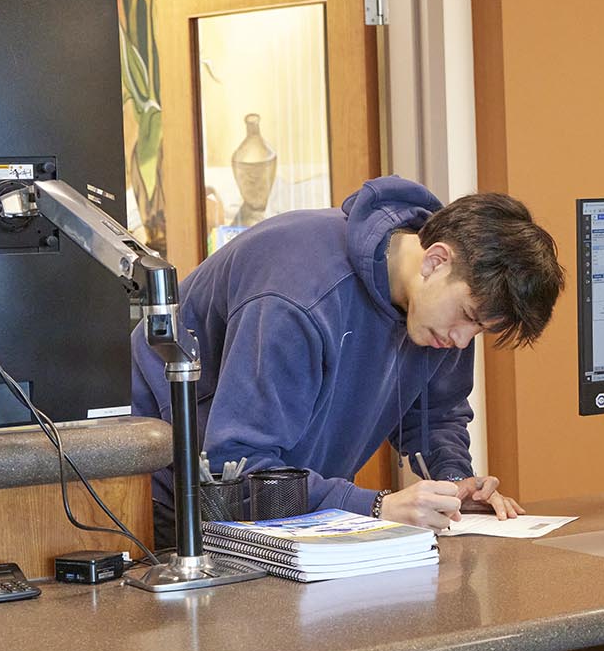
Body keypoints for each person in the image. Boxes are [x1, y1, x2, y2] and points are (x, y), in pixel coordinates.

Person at [132, 177, 564, 548]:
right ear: (435, 260)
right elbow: (239, 466)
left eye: (480, 332)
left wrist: (453, 485)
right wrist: (378, 507)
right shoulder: (299, 297)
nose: (461, 340)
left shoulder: (440, 311)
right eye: (468, 318)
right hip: (161, 500)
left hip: (282, 509)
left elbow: (437, 415)